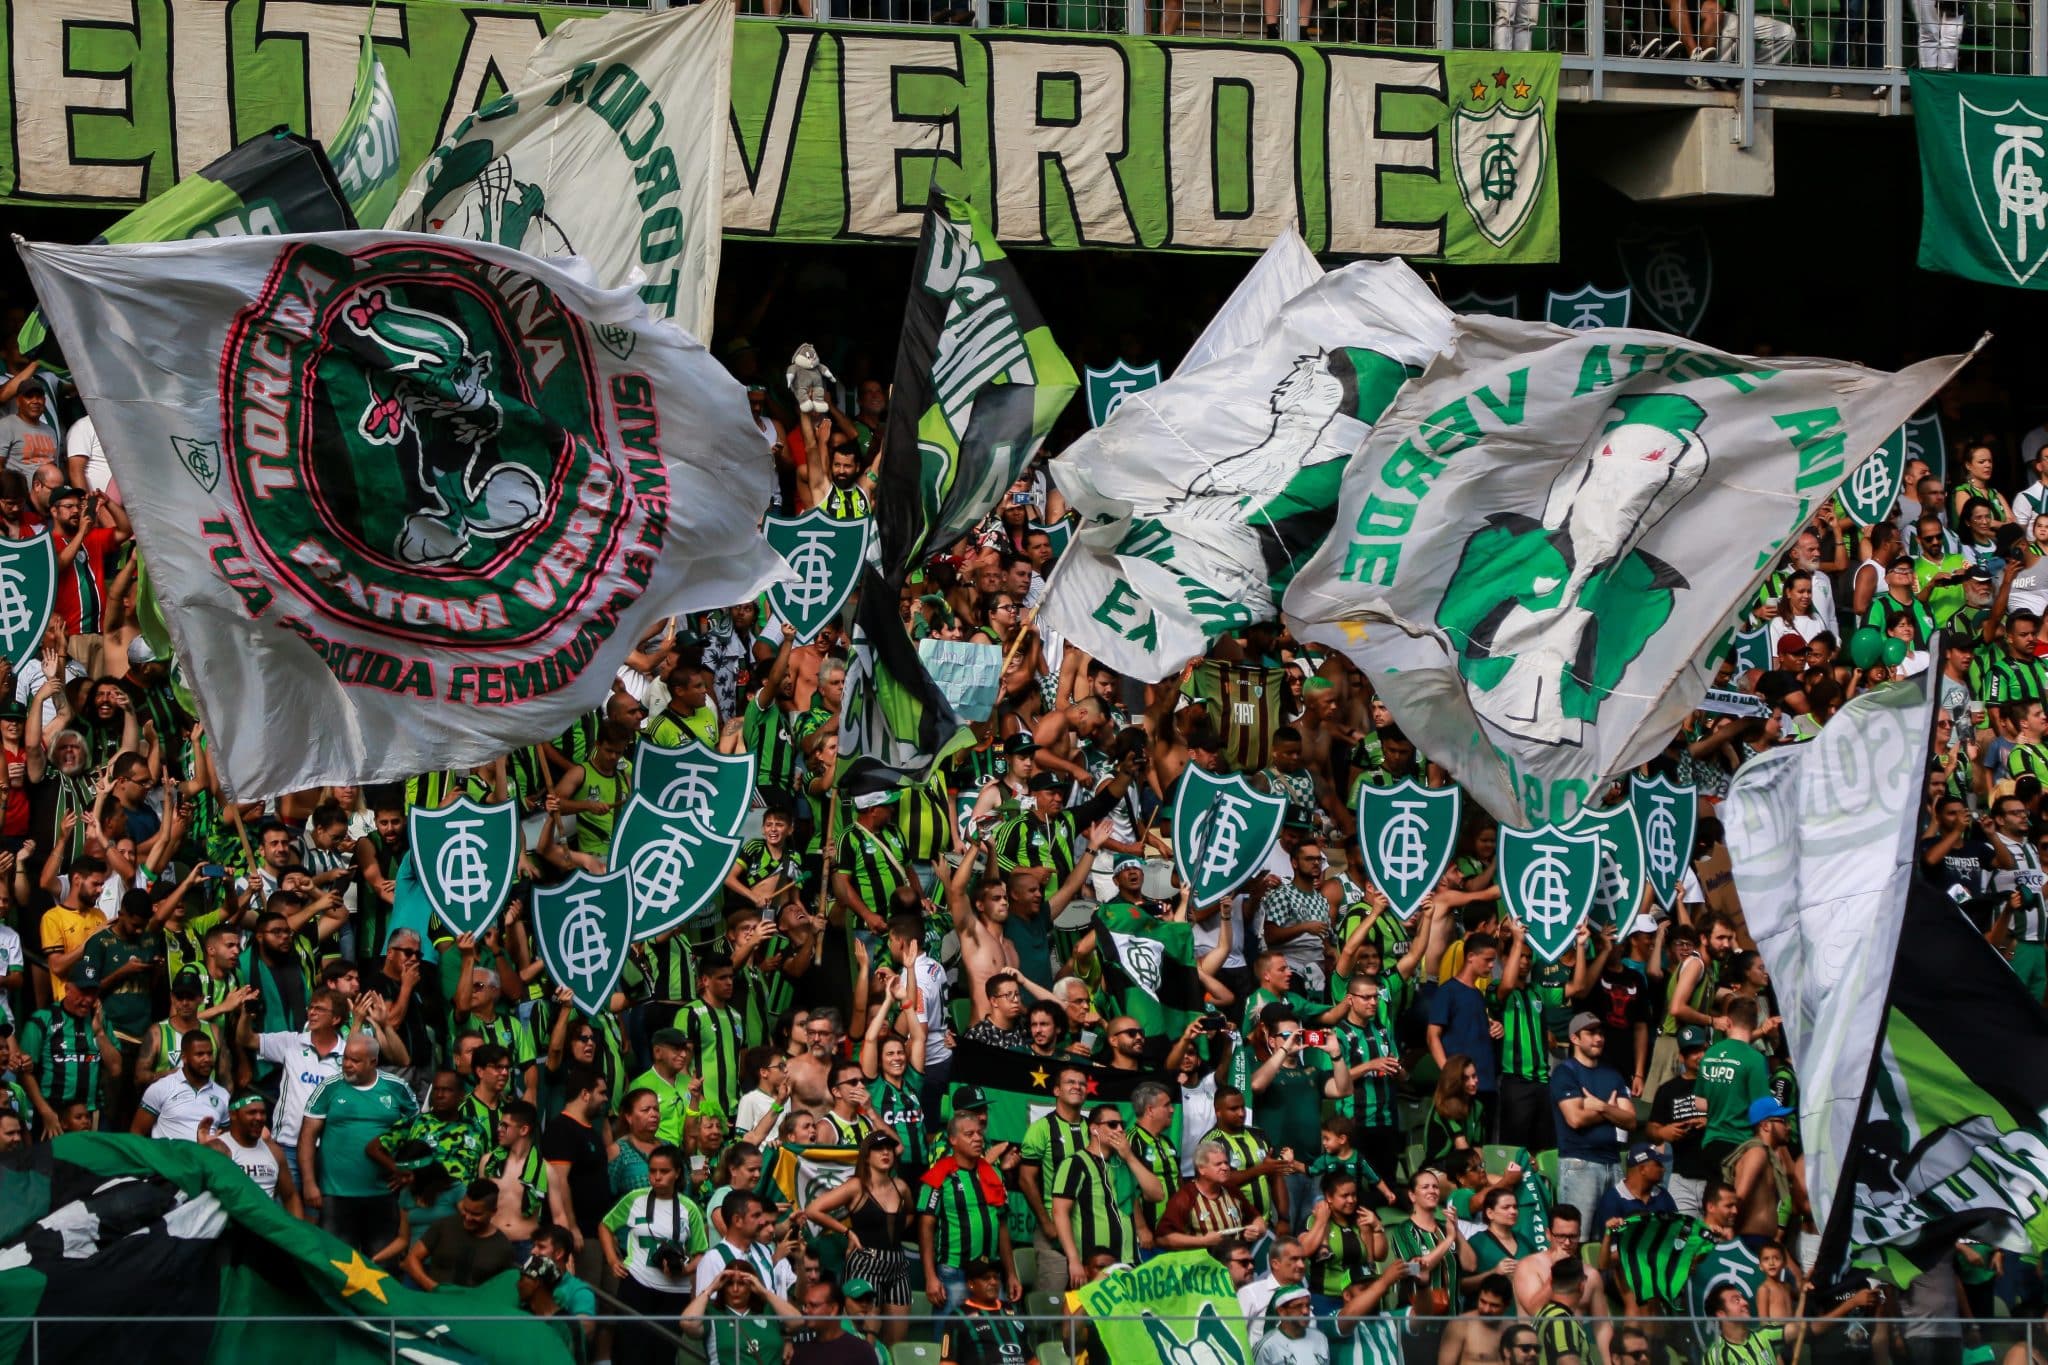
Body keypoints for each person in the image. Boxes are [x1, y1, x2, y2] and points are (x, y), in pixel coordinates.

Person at [299, 1032, 418, 1253]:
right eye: (345, 1058)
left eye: (355, 1060)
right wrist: (309, 1182)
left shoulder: (396, 1087)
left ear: (373, 1062)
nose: (347, 1064)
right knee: (339, 1262)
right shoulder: (329, 1087)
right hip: (336, 1195)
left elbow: (418, 1129)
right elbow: (307, 1136)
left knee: (382, 1262)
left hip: (383, 1194)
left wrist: (404, 1168)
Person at [601, 1143, 710, 1365]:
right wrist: (613, 1260)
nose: (657, 1177)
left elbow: (700, 1253)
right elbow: (605, 1225)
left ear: (677, 1173)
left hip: (675, 1292)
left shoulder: (689, 1208)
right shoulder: (634, 1198)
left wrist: (684, 1270)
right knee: (630, 1353)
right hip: (637, 1284)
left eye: (664, 1171)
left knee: (664, 1356)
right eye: (652, 1171)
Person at [802, 1130, 916, 1340]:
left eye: (889, 1148)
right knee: (863, 1337)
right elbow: (813, 1210)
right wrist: (847, 1232)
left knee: (897, 1342)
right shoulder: (856, 1186)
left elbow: (910, 1214)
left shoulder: (901, 1187)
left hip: (897, 1264)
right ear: (866, 1156)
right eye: (878, 1149)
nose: (885, 1153)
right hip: (866, 1262)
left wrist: (892, 1231)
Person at [1050, 1102, 1167, 1282]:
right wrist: (1073, 1260)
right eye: (1112, 1124)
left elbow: (1157, 1194)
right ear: (1094, 1129)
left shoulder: (1123, 1163)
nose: (1120, 1129)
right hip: (1094, 1266)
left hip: (1128, 1263)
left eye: (1122, 1125)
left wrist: (1129, 1156)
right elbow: (1059, 1212)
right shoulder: (1074, 1164)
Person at [918, 1110, 1020, 1315]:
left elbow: (1001, 1225)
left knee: (997, 1330)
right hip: (954, 1272)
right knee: (951, 1332)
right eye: (969, 1134)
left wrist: (1011, 1274)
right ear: (953, 1140)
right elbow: (925, 1228)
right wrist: (930, 1276)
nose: (977, 1138)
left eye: (979, 1133)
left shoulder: (994, 1173)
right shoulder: (939, 1176)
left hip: (989, 1273)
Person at [1549, 1012, 1636, 1221]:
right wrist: (1612, 1110)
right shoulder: (1565, 1072)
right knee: (1577, 1234)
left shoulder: (1612, 1074)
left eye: (1600, 1033)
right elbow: (1575, 1119)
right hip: (1579, 1163)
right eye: (1590, 1033)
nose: (1598, 1038)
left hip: (1613, 1163)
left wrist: (1601, 1107)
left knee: (1613, 1234)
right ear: (1574, 1038)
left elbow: (1631, 1121)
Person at [1697, 997, 1771, 1174]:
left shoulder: (1710, 1054)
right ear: (1754, 1025)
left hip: (1710, 1143)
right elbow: (1762, 1111)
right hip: (1741, 1146)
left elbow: (1699, 1102)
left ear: (1728, 1022)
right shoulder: (1755, 1059)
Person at [1428, 934, 1500, 1115]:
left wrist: (1496, 1027)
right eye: (1487, 960)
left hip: (1486, 1083)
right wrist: (1450, 1074)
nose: (1492, 965)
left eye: (1493, 960)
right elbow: (1432, 1036)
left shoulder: (1478, 994)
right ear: (1470, 957)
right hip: (1460, 1085)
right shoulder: (1448, 991)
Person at [1645, 1025, 1713, 1215]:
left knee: (1716, 1232)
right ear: (1682, 1057)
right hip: (1681, 1177)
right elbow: (1651, 1129)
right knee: (1683, 1232)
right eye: (1693, 1052)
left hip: (1715, 1175)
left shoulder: (1719, 1084)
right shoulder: (1668, 1090)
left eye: (1702, 1050)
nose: (1700, 1056)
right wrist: (1662, 1132)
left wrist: (1709, 1122)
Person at [403, 1180, 519, 1290]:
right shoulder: (444, 1226)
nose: (468, 1218)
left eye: (476, 1214)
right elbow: (412, 1258)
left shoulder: (503, 1247)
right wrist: (433, 1287)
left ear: (493, 1212)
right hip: (436, 1299)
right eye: (465, 1210)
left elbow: (507, 1286)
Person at [683, 1262, 805, 1365]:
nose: (735, 1289)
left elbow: (797, 1322)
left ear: (751, 1285)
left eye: (741, 1283)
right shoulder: (712, 1312)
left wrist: (764, 1292)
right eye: (729, 1284)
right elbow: (687, 1324)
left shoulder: (768, 1309)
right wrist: (710, 1289)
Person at [207, 1091, 304, 1216]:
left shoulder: (274, 1151)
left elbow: (290, 1196)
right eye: (252, 1112)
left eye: (262, 1113)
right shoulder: (218, 1148)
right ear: (233, 1115)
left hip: (266, 1224)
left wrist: (296, 1227)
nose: (259, 1117)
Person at [131, 1030, 229, 1142]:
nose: (207, 1059)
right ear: (184, 1057)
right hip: (168, 1153)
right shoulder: (161, 1088)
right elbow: (136, 1133)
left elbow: (226, 1140)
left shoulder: (223, 1095)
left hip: (205, 1153)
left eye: (210, 1054)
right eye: (200, 1054)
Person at [1726, 1097, 1796, 1249]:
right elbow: (1739, 1196)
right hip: (1749, 1241)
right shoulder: (1757, 1153)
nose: (1789, 1127)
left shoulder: (1767, 1154)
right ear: (1765, 1125)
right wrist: (1728, 1228)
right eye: (1783, 1121)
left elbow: (1792, 1173)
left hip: (1760, 1241)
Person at [938, 1259, 1031, 1365]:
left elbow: (1030, 1357)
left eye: (996, 1277)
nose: (993, 1282)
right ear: (971, 1284)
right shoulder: (958, 1317)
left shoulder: (1011, 1310)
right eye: (986, 1278)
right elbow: (947, 1362)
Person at [1592, 1144, 1678, 1234]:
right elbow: (1609, 1240)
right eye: (1658, 1165)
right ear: (1642, 1169)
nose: (1664, 1169)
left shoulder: (1663, 1195)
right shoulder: (1612, 1200)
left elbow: (1677, 1229)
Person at [1255, 1285, 1329, 1365]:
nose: (1305, 1311)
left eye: (1307, 1305)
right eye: (1298, 1306)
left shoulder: (1321, 1338)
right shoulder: (1267, 1345)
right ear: (1281, 1311)